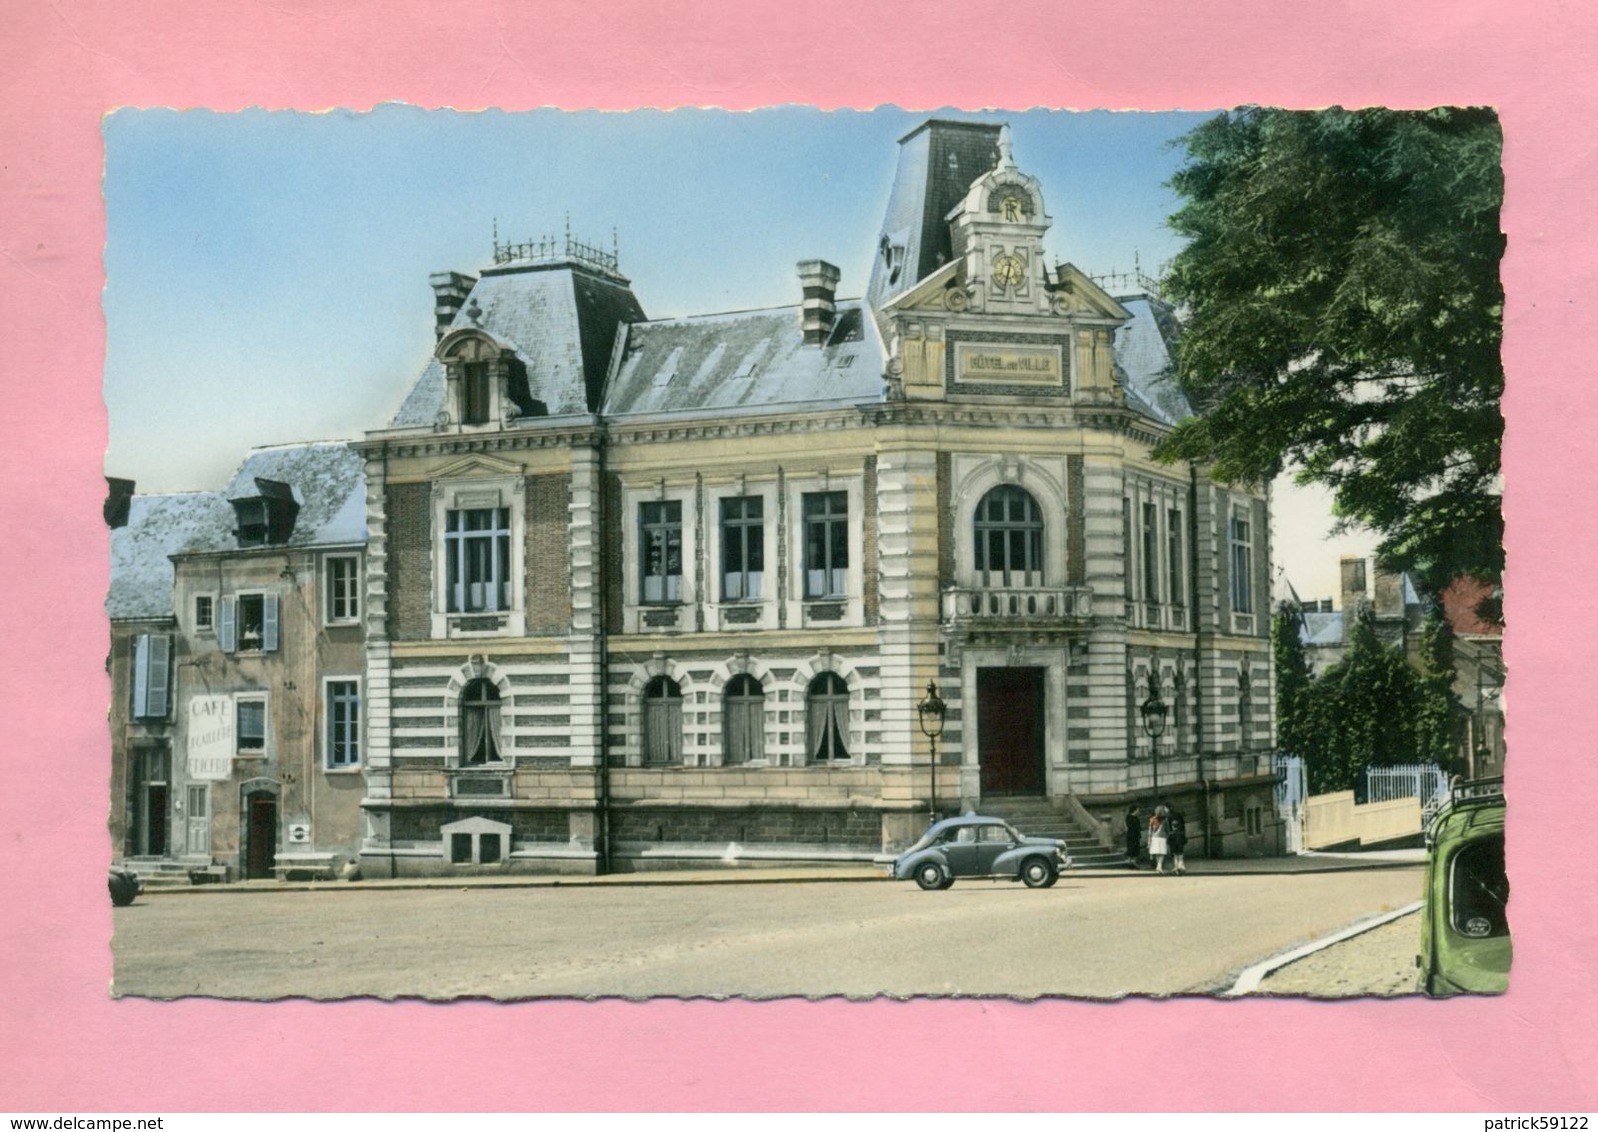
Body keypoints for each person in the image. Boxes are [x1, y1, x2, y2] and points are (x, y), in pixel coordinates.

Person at [1166, 807, 1188, 875]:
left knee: (1175, 857)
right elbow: (1185, 840)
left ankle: (1175, 867)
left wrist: (1169, 844)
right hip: (1180, 847)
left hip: (1173, 847)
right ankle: (1180, 867)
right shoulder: (1181, 833)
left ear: (1172, 826)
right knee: (1180, 858)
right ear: (1178, 826)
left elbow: (1168, 841)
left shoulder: (1171, 834)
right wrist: (1183, 843)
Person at [1148, 806, 1169, 875]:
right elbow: (1167, 830)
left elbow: (1150, 830)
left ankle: (1158, 866)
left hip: (1154, 837)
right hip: (1163, 837)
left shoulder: (1152, 819)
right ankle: (1159, 866)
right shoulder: (1165, 820)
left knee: (1157, 852)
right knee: (1162, 853)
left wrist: (1149, 840)